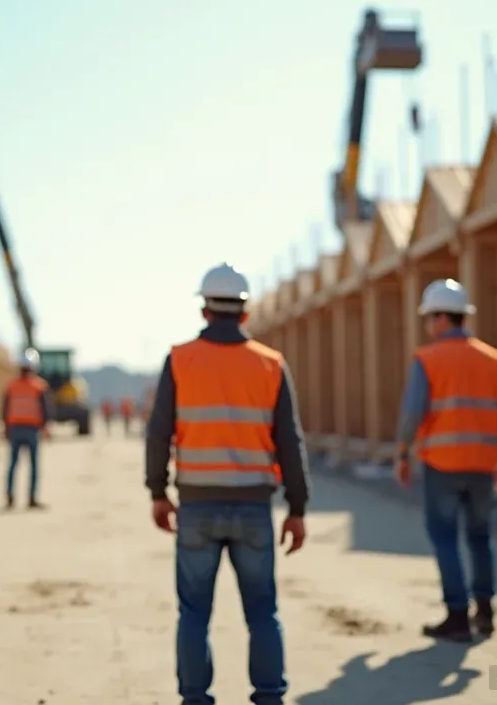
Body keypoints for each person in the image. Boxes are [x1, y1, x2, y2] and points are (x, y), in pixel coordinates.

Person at [146, 261, 310, 705]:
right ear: (245, 312)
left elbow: (158, 432)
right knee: (262, 613)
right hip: (254, 509)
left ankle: (196, 699)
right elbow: (290, 442)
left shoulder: (180, 360)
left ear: (204, 311)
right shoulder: (270, 365)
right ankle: (269, 697)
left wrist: (158, 493)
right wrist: (297, 508)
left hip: (197, 508)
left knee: (195, 613)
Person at [395, 278, 497, 642]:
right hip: (484, 464)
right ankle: (484, 611)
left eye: (428, 318)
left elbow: (412, 414)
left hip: (442, 464)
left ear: (439, 318)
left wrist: (403, 454)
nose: (427, 326)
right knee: (480, 536)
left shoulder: (428, 359)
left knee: (445, 537)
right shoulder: (494, 359)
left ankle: (456, 615)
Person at [3, 347, 52, 509]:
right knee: (33, 466)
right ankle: (31, 498)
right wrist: (46, 428)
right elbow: (45, 410)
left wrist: (6, 428)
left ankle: (10, 497)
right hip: (32, 429)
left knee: (13, 465)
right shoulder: (39, 386)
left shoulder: (11, 386)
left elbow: (5, 409)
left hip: (16, 428)